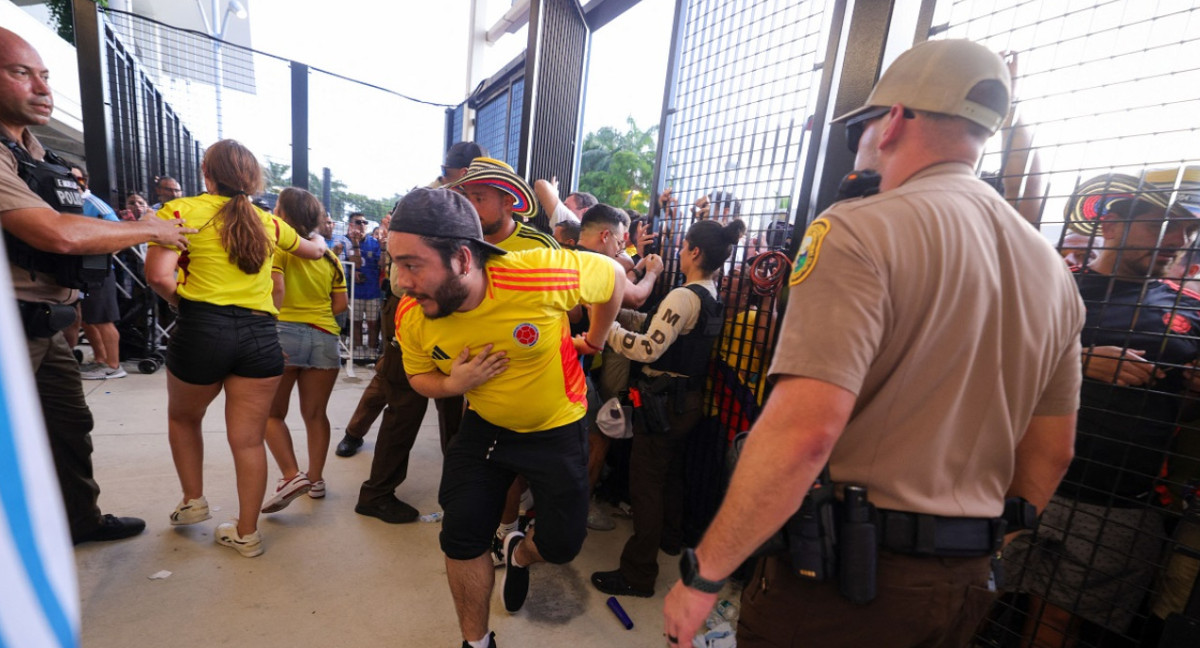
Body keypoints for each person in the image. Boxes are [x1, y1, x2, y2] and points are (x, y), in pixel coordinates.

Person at [661, 39, 1084, 647]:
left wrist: (705, 576)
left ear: (892, 120)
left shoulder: (859, 228)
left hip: (843, 585)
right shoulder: (1051, 271)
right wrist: (969, 546)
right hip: (964, 583)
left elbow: (804, 432)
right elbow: (1051, 455)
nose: (858, 143)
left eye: (859, 127)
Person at [390, 188, 624, 648]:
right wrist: (452, 386)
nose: (401, 281)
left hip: (556, 427)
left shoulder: (536, 273)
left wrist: (595, 340)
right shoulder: (412, 314)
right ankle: (476, 643)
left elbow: (614, 276)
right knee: (460, 535)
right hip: (486, 428)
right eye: (396, 263)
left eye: (412, 264)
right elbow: (418, 376)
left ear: (461, 259)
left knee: (560, 545)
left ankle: (519, 553)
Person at [0, 26, 195, 545]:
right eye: (21, 73)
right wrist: (151, 229)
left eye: (44, 76)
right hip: (11, 325)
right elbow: (56, 234)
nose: (42, 89)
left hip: (48, 322)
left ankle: (79, 521)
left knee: (69, 427)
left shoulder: (41, 157)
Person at [1004, 168, 1200, 645]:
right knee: (970, 597)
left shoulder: (1192, 308)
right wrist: (1080, 360)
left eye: (1187, 230)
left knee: (1055, 626)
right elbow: (987, 359)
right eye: (1162, 226)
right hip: (1015, 480)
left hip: (1120, 503)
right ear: (1110, 225)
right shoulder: (1051, 286)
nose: (1179, 240)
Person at [144, 139, 326, 558]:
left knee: (184, 418)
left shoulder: (180, 212)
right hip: (261, 335)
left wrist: (184, 302)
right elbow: (314, 250)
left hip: (202, 329)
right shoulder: (270, 223)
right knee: (247, 440)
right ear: (253, 179)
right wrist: (316, 238)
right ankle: (247, 533)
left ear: (206, 172)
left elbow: (159, 276)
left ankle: (194, 501)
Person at [591, 219, 744, 598]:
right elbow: (666, 332)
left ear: (695, 252)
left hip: (662, 403)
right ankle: (671, 540)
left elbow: (649, 349)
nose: (678, 249)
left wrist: (604, 329)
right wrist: (626, 317)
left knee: (645, 485)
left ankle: (638, 573)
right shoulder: (710, 294)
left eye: (683, 245)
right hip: (688, 402)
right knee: (670, 474)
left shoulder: (683, 296)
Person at [447, 156, 561, 562]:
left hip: (536, 379)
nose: (470, 206)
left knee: (531, 465)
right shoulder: (461, 245)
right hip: (478, 380)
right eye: (467, 196)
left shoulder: (541, 246)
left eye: (479, 197)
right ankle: (498, 529)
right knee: (488, 465)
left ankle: (517, 534)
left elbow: (572, 308)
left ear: (509, 200)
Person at [260, 187, 347, 512]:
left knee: (270, 414)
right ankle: (316, 478)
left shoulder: (279, 248)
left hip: (283, 333)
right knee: (315, 414)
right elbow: (341, 304)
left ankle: (291, 474)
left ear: (283, 214)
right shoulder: (330, 257)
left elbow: (276, 287)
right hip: (325, 338)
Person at [68, 166, 126, 381]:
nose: (71, 181)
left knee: (103, 319)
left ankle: (113, 365)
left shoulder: (94, 205)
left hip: (97, 273)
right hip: (81, 272)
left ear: (85, 181)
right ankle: (101, 360)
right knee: (88, 319)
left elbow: (119, 236)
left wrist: (99, 258)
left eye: (76, 178)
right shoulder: (73, 203)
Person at [345, 212, 383, 361]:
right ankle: (359, 350)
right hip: (355, 292)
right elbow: (353, 264)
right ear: (351, 225)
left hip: (372, 290)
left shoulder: (374, 243)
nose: (362, 225)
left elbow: (381, 263)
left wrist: (383, 248)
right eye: (358, 222)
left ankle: (372, 350)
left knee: (373, 323)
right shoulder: (346, 242)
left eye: (365, 222)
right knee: (356, 323)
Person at [532, 175, 597, 227]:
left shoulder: (574, 225)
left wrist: (553, 195)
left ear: (585, 212)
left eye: (566, 207)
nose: (564, 209)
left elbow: (541, 184)